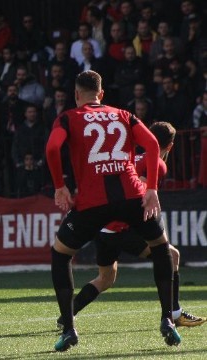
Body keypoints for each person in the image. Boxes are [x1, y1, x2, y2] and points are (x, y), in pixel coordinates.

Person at [45, 70, 179, 351]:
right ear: (102, 94)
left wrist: (60, 186)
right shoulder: (124, 115)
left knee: (60, 255)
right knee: (162, 248)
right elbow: (153, 145)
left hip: (92, 203)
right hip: (132, 196)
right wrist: (152, 188)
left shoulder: (69, 117)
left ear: (76, 95)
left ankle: (69, 328)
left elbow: (52, 148)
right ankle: (167, 318)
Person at [58, 121, 206, 329]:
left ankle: (67, 315)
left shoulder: (131, 157)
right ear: (170, 146)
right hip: (120, 227)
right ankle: (174, 313)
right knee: (171, 256)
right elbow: (138, 195)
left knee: (106, 278)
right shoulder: (158, 164)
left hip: (104, 227)